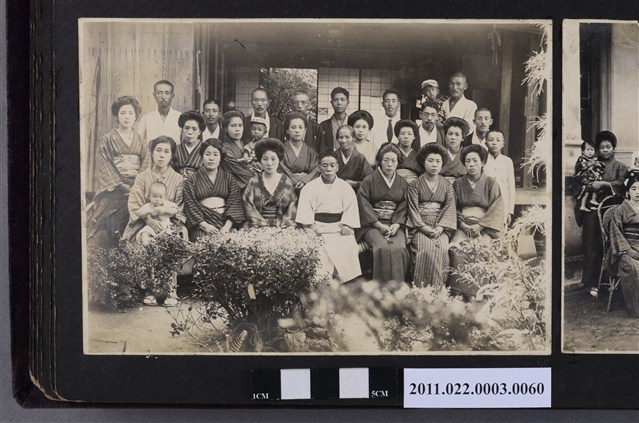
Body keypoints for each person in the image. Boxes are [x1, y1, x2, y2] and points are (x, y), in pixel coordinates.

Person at [87, 96, 147, 248]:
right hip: (116, 188)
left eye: (131, 113)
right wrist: (120, 185)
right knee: (112, 219)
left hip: (136, 186)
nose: (127, 117)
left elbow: (146, 163)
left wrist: (137, 185)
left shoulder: (141, 139)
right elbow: (104, 164)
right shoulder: (108, 139)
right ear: (116, 115)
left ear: (136, 116)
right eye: (123, 113)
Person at [577, 131, 629, 298]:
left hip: (612, 208)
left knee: (610, 243)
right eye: (602, 147)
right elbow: (583, 181)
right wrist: (590, 185)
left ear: (614, 148)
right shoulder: (591, 163)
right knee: (592, 243)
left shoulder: (621, 167)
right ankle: (591, 282)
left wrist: (604, 184)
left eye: (608, 147)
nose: (605, 150)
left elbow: (622, 185)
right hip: (593, 208)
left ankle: (610, 280)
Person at [296, 153, 362, 283]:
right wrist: (310, 225)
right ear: (318, 167)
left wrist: (347, 225)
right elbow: (305, 210)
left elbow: (350, 208)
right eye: (325, 165)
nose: (328, 169)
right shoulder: (309, 187)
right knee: (317, 249)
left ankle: (342, 282)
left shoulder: (345, 187)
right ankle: (321, 283)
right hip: (317, 227)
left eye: (332, 165)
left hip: (339, 228)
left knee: (349, 246)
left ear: (337, 167)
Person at [449, 145, 504, 295]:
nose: (471, 164)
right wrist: (462, 224)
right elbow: (453, 207)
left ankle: (480, 292)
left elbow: (497, 208)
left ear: (483, 162)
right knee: (457, 248)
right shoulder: (458, 183)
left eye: (475, 161)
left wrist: (481, 225)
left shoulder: (491, 183)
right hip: (463, 225)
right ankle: (460, 292)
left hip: (484, 226)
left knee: (484, 248)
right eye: (468, 161)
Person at [357, 143, 410, 283]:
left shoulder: (402, 182)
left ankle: (397, 288)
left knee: (399, 248)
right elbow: (363, 203)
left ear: (398, 163)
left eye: (393, 161)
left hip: (394, 225)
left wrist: (397, 224)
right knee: (381, 247)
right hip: (372, 224)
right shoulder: (369, 180)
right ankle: (381, 289)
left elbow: (404, 205)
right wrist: (378, 224)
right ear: (380, 161)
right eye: (386, 160)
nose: (390, 164)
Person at [406, 143, 457, 289]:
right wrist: (423, 228)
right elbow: (412, 209)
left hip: (440, 226)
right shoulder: (415, 185)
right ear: (423, 162)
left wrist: (441, 227)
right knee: (425, 249)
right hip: (420, 226)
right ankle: (422, 290)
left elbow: (449, 207)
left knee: (442, 249)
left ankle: (439, 289)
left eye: (438, 161)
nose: (434, 164)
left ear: (442, 163)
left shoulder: (447, 185)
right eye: (430, 160)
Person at [121, 135, 186, 243]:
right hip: (143, 222)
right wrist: (150, 221)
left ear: (171, 156)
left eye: (166, 152)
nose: (162, 155)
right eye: (158, 150)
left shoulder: (178, 179)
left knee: (176, 241)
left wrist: (165, 215)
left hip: (169, 222)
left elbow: (179, 208)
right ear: (152, 153)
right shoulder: (142, 177)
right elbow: (135, 205)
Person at [183, 138, 246, 241]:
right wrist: (205, 226)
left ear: (221, 157)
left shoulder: (229, 178)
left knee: (230, 244)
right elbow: (190, 205)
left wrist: (227, 227)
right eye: (207, 154)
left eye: (215, 154)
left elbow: (234, 204)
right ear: (202, 156)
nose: (211, 158)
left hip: (224, 222)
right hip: (201, 224)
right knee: (202, 244)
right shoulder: (192, 179)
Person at [604, 169, 639, 317]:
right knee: (632, 267)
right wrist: (628, 250)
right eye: (634, 188)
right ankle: (636, 308)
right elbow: (615, 233)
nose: (638, 192)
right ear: (628, 191)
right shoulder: (619, 210)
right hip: (624, 248)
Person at [242, 138, 297, 228]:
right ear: (260, 160)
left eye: (273, 159)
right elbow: (248, 205)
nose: (269, 163)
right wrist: (262, 226)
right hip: (257, 227)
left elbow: (291, 207)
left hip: (282, 227)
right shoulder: (254, 181)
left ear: (279, 160)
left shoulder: (287, 182)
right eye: (265, 159)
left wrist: (285, 226)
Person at [280, 112, 320, 191]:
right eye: (293, 127)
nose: (297, 131)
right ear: (287, 130)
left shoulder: (311, 151)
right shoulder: (280, 150)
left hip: (307, 188)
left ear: (305, 130)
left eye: (300, 127)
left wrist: (305, 181)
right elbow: (279, 169)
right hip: (286, 188)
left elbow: (316, 169)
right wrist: (293, 181)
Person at [483, 129, 516, 226]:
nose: (494, 143)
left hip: (503, 203)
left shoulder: (507, 161)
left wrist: (509, 211)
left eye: (498, 140)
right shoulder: (482, 160)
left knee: (501, 230)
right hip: (486, 202)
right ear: (486, 143)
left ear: (503, 144)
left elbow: (511, 187)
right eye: (491, 140)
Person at [219, 110, 256, 189]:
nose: (237, 129)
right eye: (233, 126)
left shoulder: (245, 145)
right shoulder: (225, 149)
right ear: (225, 128)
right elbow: (240, 171)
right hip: (234, 188)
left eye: (240, 125)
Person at [137, 80, 182, 145]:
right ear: (154, 95)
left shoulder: (179, 117)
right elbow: (139, 143)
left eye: (167, 93)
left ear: (172, 96)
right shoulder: (146, 119)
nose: (163, 97)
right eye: (159, 93)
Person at [332, 125, 373, 191]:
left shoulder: (360, 158)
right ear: (337, 139)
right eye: (341, 137)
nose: (344, 140)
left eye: (347, 137)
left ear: (354, 138)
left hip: (355, 193)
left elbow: (370, 181)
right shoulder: (332, 157)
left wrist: (356, 184)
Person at [574, 140, 606, 212]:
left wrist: (598, 165)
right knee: (589, 190)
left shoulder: (594, 159)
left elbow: (600, 167)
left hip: (591, 178)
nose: (590, 152)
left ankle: (591, 201)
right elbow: (582, 167)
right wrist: (590, 164)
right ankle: (586, 203)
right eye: (588, 150)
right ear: (583, 151)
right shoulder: (582, 159)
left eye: (592, 150)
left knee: (592, 189)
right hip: (585, 178)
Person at [172, 110, 206, 177]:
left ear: (200, 131)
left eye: (194, 129)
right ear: (182, 130)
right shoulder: (175, 149)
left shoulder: (205, 150)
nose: (190, 132)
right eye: (187, 128)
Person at [318, 87, 350, 157]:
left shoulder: (353, 123)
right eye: (335, 100)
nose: (339, 103)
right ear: (331, 103)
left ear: (347, 103)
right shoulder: (323, 125)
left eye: (342, 100)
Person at [439, 117, 471, 182]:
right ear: (445, 136)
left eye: (457, 134)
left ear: (463, 138)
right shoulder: (439, 154)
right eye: (450, 134)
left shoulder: (467, 156)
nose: (453, 137)